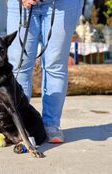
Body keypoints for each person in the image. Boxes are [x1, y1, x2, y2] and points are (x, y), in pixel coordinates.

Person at [7, 0, 84, 143]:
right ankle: (19, 123)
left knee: (55, 65)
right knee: (19, 64)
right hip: (20, 4)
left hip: (63, 4)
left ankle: (51, 125)